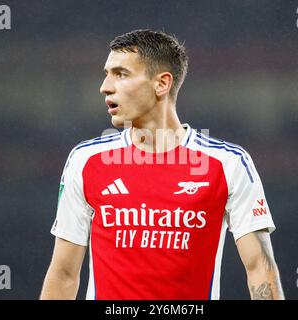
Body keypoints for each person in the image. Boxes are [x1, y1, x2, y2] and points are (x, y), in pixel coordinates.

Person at [40, 29, 284, 300]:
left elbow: (260, 268)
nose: (105, 86)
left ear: (162, 84)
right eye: (106, 74)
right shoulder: (86, 161)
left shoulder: (228, 164)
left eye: (121, 74)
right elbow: (63, 273)